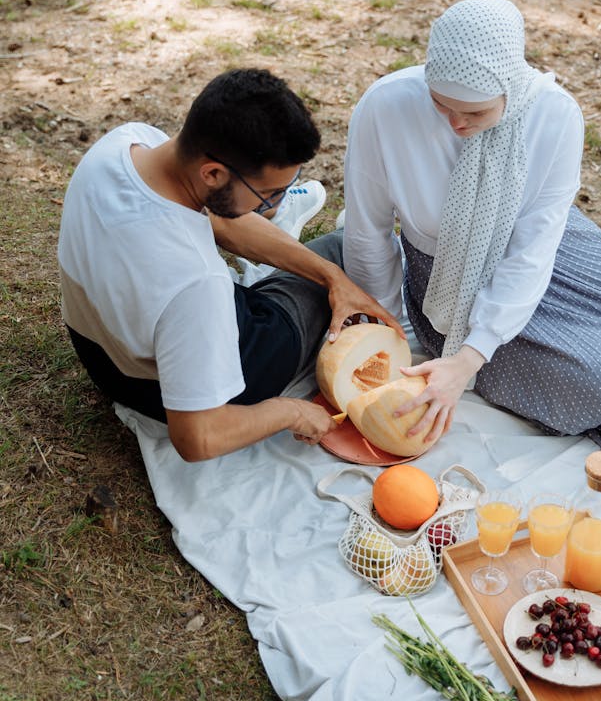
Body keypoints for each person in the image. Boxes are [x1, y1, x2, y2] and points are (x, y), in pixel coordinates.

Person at [342, 0, 601, 459]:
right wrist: (385, 331)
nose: (456, 123)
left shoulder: (554, 115)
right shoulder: (385, 106)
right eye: (441, 105)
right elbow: (367, 232)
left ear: (510, 91)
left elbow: (533, 250)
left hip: (553, 255)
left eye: (474, 113)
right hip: (450, 288)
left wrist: (470, 358)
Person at [58, 67, 403, 462]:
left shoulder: (124, 145)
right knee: (343, 247)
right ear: (213, 173)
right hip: (198, 386)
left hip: (105, 362)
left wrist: (333, 280)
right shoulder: (196, 285)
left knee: (329, 269)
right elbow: (197, 438)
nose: (269, 207)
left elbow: (221, 219)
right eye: (269, 194)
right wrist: (290, 411)